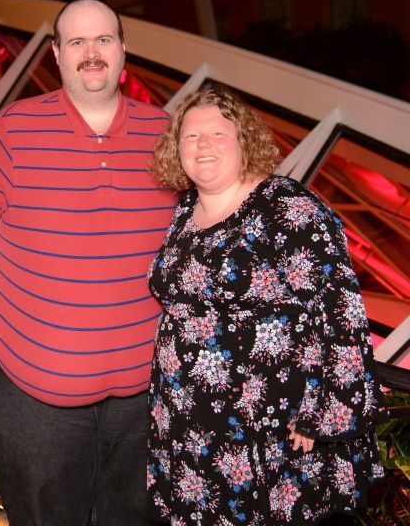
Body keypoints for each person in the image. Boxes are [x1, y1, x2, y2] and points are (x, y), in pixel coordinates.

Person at [0, 0, 176, 525]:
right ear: (56, 53)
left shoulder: (166, 132)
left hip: (143, 400)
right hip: (31, 400)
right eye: (77, 42)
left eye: (103, 40)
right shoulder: (14, 129)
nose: (91, 53)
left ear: (123, 50)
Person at [146, 85, 387, 525]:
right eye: (190, 136)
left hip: (266, 428)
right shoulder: (186, 210)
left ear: (244, 142)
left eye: (218, 134)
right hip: (188, 427)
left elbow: (341, 314)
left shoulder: (287, 208)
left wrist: (321, 414)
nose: (202, 144)